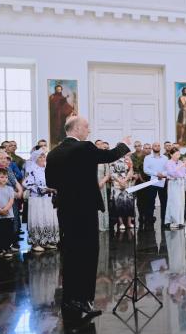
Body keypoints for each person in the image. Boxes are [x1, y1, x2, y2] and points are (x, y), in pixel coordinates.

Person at [45, 116, 130, 320]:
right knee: (88, 255)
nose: (89, 130)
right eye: (86, 127)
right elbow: (109, 156)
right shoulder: (83, 147)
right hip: (84, 209)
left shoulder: (54, 152)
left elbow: (51, 181)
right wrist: (124, 145)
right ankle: (83, 301)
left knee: (71, 254)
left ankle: (69, 301)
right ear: (76, 129)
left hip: (66, 209)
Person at [23, 150, 59, 252]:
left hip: (48, 199)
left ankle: (47, 241)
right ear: (35, 158)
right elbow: (26, 183)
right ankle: (36, 243)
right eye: (40, 157)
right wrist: (43, 189)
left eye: (44, 157)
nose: (43, 159)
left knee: (48, 218)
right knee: (37, 219)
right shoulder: (31, 170)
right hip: (37, 199)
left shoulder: (48, 169)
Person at [143, 142, 169, 228]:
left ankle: (164, 220)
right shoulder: (147, 158)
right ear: (152, 148)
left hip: (163, 181)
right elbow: (145, 169)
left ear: (160, 147)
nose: (157, 147)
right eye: (155, 145)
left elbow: (168, 169)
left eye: (158, 145)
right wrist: (156, 173)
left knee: (164, 201)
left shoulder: (165, 158)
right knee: (150, 202)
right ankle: (149, 220)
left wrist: (162, 174)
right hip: (152, 182)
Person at [110, 154, 136, 231]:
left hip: (127, 183)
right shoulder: (113, 159)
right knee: (118, 203)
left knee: (129, 203)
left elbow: (131, 171)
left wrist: (125, 180)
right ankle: (121, 223)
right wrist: (120, 181)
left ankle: (129, 222)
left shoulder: (128, 159)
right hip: (117, 184)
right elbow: (112, 173)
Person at [165, 148, 186, 229]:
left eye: (179, 154)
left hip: (181, 183)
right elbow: (171, 173)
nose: (179, 155)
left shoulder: (180, 162)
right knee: (174, 202)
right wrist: (181, 165)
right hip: (173, 183)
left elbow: (184, 173)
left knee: (181, 202)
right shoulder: (168, 162)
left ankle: (180, 221)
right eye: (176, 154)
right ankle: (173, 221)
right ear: (171, 155)